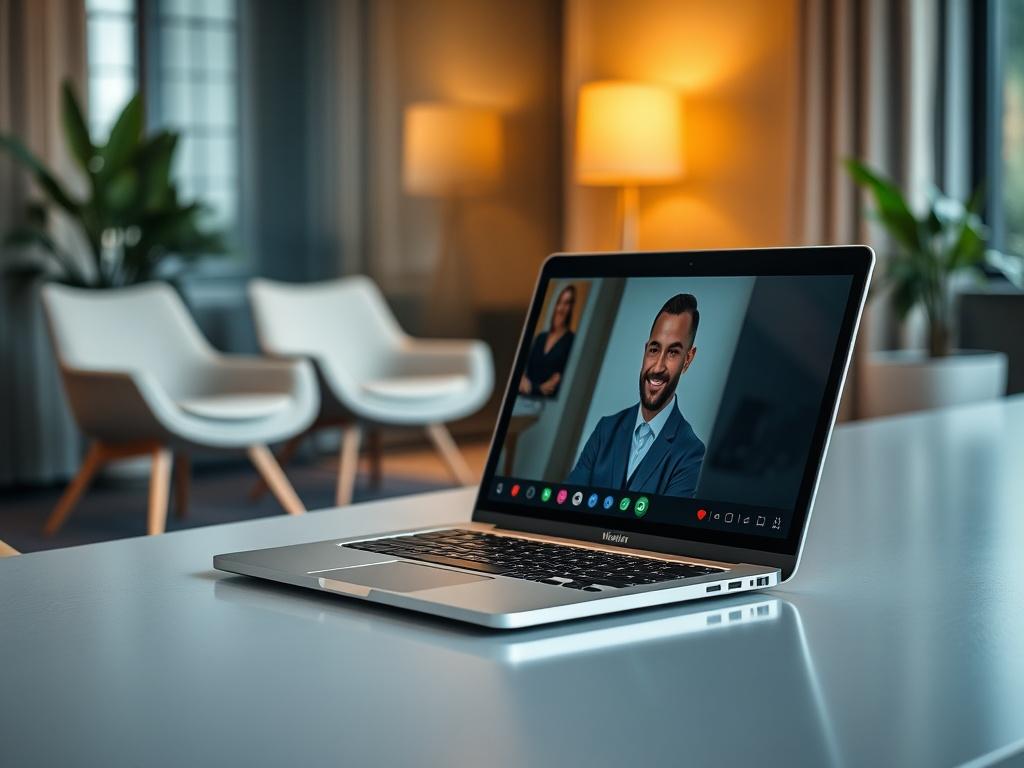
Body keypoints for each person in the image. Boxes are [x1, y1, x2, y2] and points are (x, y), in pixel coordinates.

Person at [567, 293, 705, 498]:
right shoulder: (605, 429)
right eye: (654, 349)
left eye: (673, 352)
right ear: (645, 350)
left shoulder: (689, 452)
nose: (657, 367)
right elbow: (568, 502)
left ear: (688, 359)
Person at [519, 284, 576, 398]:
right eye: (559, 302)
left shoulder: (571, 340)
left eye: (567, 303)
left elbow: (554, 384)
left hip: (545, 402)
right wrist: (523, 380)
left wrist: (535, 388)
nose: (561, 308)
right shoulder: (541, 337)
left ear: (571, 307)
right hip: (523, 396)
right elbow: (524, 367)